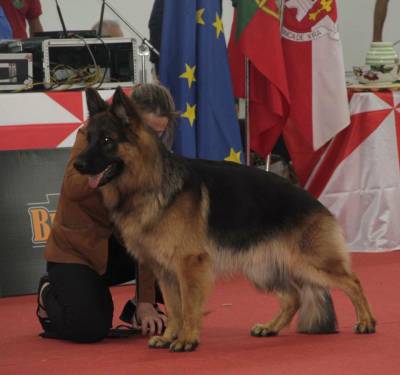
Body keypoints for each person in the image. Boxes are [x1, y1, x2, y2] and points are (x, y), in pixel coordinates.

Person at [36, 83, 177, 343]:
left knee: (180, 257)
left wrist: (146, 302)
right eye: (147, 131)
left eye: (159, 133)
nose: (152, 140)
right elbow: (74, 188)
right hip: (77, 253)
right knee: (88, 329)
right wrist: (108, 171)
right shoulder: (93, 136)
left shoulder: (153, 159)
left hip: (122, 251)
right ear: (127, 120)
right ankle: (48, 292)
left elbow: (148, 237)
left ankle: (137, 306)